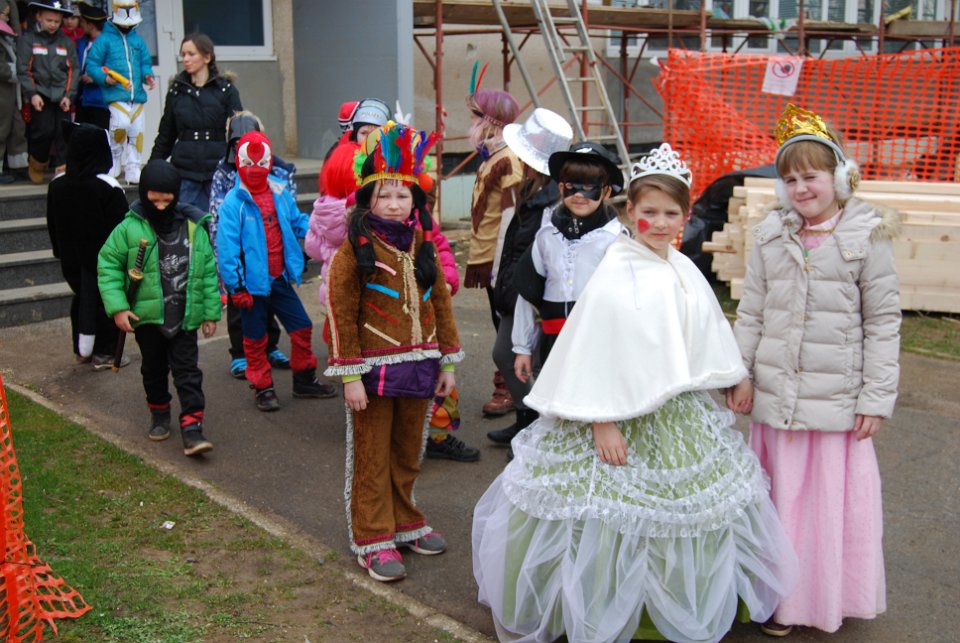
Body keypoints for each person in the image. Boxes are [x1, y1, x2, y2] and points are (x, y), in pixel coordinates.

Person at [473, 143, 798, 643]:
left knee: (674, 512)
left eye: (672, 214)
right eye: (650, 212)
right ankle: (603, 604)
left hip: (674, 410)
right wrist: (602, 420)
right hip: (615, 414)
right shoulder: (616, 271)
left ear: (686, 218)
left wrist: (733, 374)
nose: (660, 223)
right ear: (630, 212)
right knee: (609, 510)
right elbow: (594, 347)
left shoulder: (681, 266)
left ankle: (666, 600)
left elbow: (707, 324)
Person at [730, 104, 901, 637]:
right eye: (790, 179)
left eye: (811, 176)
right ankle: (777, 599)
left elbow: (883, 323)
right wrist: (740, 372)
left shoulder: (866, 236)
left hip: (834, 406)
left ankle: (821, 599)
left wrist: (875, 398)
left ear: (840, 177)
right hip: (776, 398)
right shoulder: (770, 237)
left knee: (824, 509)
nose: (801, 188)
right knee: (779, 505)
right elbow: (752, 311)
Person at [324, 123, 462, 582]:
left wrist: (447, 362)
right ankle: (373, 536)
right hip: (372, 374)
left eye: (404, 195)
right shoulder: (353, 250)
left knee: (407, 451)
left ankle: (405, 520)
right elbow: (341, 313)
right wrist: (350, 376)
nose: (396, 204)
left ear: (415, 201)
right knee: (371, 455)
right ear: (369, 199)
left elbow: (441, 304)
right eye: (385, 195)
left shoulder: (423, 245)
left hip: (421, 368)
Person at [97, 160, 220, 457]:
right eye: (154, 200)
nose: (161, 207)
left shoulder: (194, 228)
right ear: (143, 194)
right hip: (147, 318)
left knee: (188, 372)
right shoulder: (129, 228)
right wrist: (118, 308)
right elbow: (108, 266)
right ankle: (159, 412)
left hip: (185, 317)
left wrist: (210, 312)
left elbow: (207, 272)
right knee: (153, 370)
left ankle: (193, 427)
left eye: (168, 200)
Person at [216, 131, 335, 411]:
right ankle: (263, 387)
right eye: (249, 163)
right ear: (239, 163)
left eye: (261, 163)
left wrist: (323, 231)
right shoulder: (233, 203)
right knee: (255, 339)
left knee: (302, 327)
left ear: (269, 162)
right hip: (251, 286)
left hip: (279, 278)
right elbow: (227, 250)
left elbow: (297, 221)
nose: (255, 170)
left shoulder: (279, 192)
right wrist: (236, 287)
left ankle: (304, 380)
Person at [511, 142, 624, 420]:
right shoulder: (546, 237)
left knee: (594, 413)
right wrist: (523, 348)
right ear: (561, 188)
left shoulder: (616, 240)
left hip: (599, 346)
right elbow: (528, 293)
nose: (579, 194)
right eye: (572, 185)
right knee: (558, 412)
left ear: (606, 191)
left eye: (590, 186)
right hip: (554, 344)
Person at [484, 108, 571, 450]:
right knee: (508, 355)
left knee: (514, 356)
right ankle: (526, 419)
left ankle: (536, 425)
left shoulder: (552, 202)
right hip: (516, 291)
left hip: (534, 297)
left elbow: (540, 255)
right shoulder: (531, 188)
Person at [208, 110, 293, 379]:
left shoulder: (278, 170)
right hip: (240, 250)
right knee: (239, 304)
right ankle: (240, 353)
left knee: (270, 300)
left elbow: (286, 209)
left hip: (269, 249)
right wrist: (223, 258)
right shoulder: (224, 173)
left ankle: (270, 346)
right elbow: (216, 214)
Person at [462, 69, 523, 417]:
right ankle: (509, 384)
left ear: (490, 122)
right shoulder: (492, 158)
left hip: (502, 261)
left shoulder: (508, 160)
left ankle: (510, 388)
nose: (469, 123)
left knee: (508, 328)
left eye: (474, 116)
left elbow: (512, 220)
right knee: (499, 323)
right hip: (490, 259)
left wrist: (502, 268)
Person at [47, 122, 128, 368]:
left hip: (71, 259)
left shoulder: (57, 185)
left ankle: (83, 350)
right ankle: (105, 352)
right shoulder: (108, 187)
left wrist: (59, 251)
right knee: (105, 302)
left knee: (82, 299)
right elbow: (120, 229)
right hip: (104, 260)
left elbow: (53, 223)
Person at [150, 32, 241, 211]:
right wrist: (152, 168)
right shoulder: (176, 91)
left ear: (207, 57)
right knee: (186, 223)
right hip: (184, 174)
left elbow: (238, 134)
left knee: (219, 222)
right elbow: (166, 135)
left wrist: (238, 167)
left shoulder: (226, 90)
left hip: (218, 173)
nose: (185, 59)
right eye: (183, 54)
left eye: (191, 54)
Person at [84, 0, 155, 184]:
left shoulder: (138, 40)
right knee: (120, 125)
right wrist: (104, 78)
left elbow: (145, 63)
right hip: (115, 94)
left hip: (136, 96)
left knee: (137, 132)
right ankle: (114, 162)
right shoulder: (104, 40)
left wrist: (148, 76)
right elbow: (92, 65)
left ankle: (133, 168)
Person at [16, 0, 78, 183]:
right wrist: (32, 94)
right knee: (42, 131)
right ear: (38, 17)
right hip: (40, 94)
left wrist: (69, 95)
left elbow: (73, 70)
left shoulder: (66, 42)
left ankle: (62, 168)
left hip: (62, 95)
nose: (53, 24)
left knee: (63, 132)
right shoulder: (28, 40)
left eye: (57, 21)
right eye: (49, 20)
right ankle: (38, 163)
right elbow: (23, 70)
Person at [0, 0, 27, 183]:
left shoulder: (8, 37)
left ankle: (19, 166)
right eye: (4, 14)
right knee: (1, 128)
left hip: (12, 91)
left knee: (17, 127)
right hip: (3, 91)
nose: (7, 18)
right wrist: (14, 72)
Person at [74, 1, 109, 129]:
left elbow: (114, 69)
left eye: (83, 22)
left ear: (90, 25)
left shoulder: (108, 44)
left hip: (100, 101)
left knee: (100, 136)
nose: (80, 25)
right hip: (82, 100)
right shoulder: (81, 43)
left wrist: (94, 78)